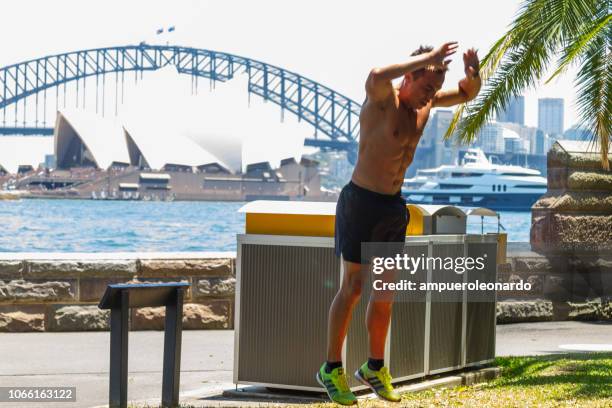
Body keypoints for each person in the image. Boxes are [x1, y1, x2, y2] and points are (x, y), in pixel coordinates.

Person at [316, 42, 481, 405]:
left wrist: (473, 74)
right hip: (361, 202)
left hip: (392, 208)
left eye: (435, 90)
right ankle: (331, 367)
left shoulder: (427, 104)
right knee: (355, 286)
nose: (430, 96)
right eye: (426, 87)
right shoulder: (382, 99)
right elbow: (375, 73)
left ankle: (375, 366)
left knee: (386, 294)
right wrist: (429, 58)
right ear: (409, 76)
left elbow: (468, 93)